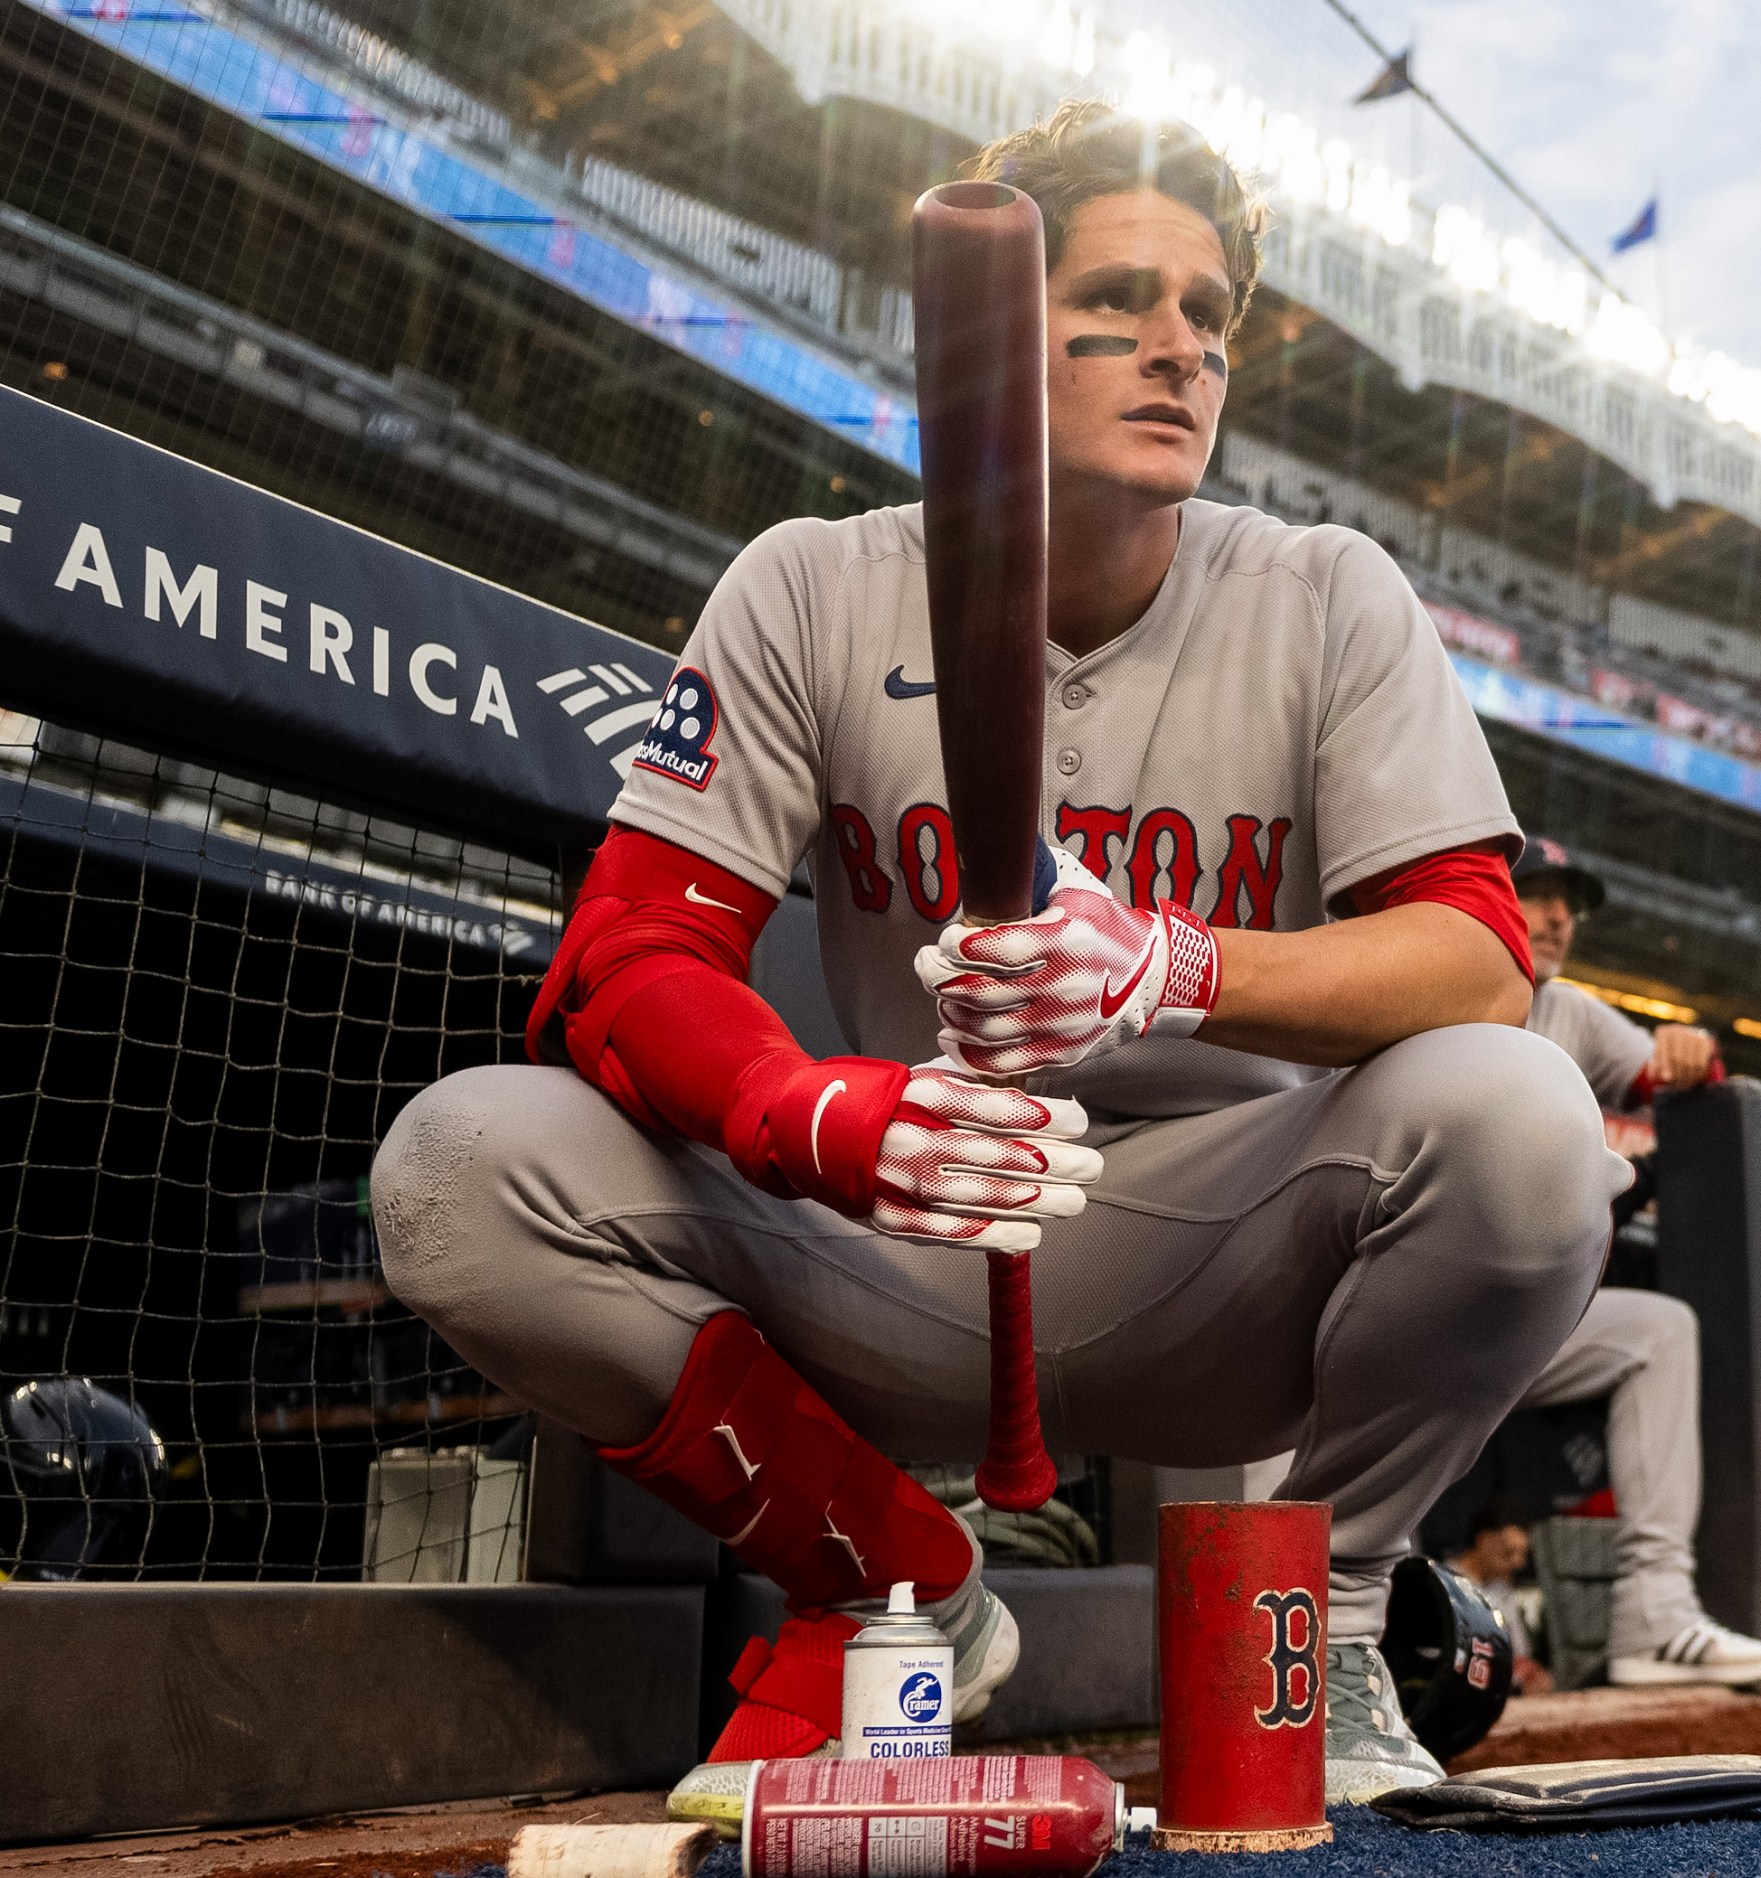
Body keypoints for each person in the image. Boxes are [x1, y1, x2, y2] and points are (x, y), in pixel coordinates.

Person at [367, 101, 1624, 1801]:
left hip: (1238, 1252)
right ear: (987, 340)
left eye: (1211, 318)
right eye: (1120, 297)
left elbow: (1479, 958)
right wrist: (813, 1114)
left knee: (1525, 1114)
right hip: (915, 1230)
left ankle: (1319, 1619)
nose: (1181, 347)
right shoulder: (811, 583)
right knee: (459, 1161)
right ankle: (892, 1578)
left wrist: (1178, 966)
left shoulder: (1328, 590)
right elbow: (626, 953)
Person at [1505, 838, 1761, 1687]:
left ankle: (1655, 1618)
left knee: (1660, 1332)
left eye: (1572, 902)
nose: (1561, 915)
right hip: (1394, 1308)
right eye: (1538, 894)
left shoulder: (1570, 1012)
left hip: (1516, 1319)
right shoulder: (1419, 978)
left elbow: (1686, 1073)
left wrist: (1687, 1046)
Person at [1444, 1497, 1551, 1693]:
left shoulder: (1500, 1588)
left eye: (1522, 1554)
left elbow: (1520, 1653)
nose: (1518, 1563)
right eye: (1509, 1553)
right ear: (1484, 1541)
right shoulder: (1445, 1584)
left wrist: (1528, 1671)